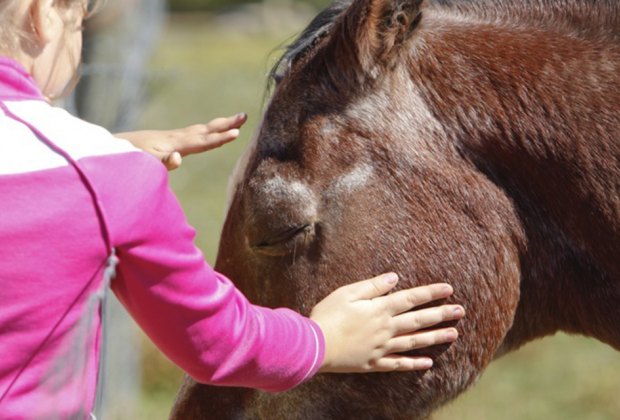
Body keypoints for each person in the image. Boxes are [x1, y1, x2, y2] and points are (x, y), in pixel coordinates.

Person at [0, 0, 465, 418]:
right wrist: (325, 341)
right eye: (81, 19)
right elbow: (212, 340)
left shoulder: (96, 167)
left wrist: (101, 150)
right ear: (40, 14)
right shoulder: (107, 178)